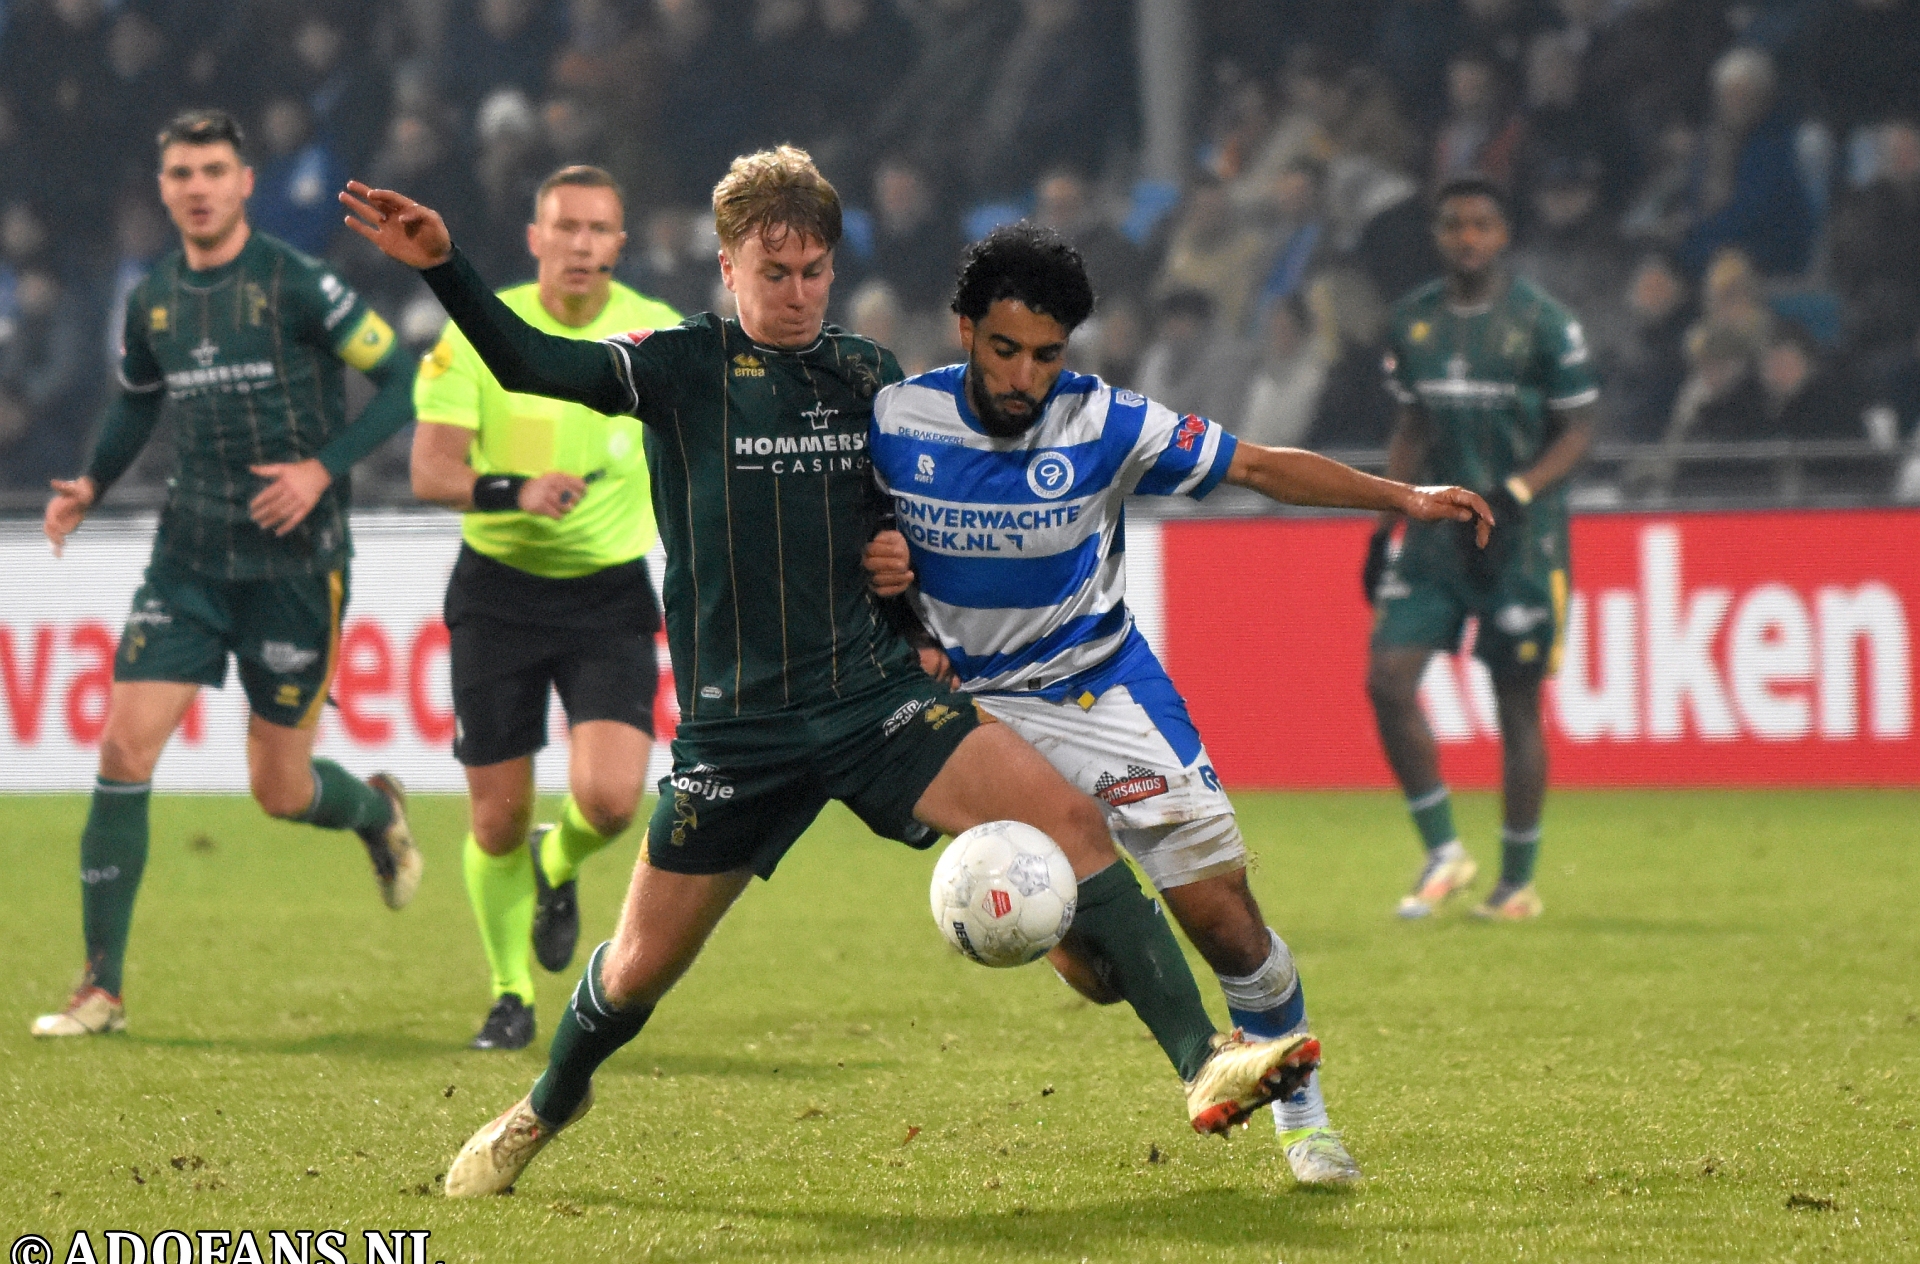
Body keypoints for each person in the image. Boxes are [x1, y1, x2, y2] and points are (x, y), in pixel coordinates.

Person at [340, 145, 1320, 1197]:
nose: (799, 293)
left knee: (1073, 822)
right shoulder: (676, 368)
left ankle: (1203, 1059)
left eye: (814, 272)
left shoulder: (867, 378)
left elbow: (893, 527)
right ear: (728, 269)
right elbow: (534, 363)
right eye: (775, 273)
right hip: (737, 733)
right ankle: (544, 1105)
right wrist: (443, 265)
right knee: (632, 975)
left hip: (872, 702)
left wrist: (897, 579)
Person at [859, 223, 1490, 1186]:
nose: (1026, 376)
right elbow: (841, 535)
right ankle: (1118, 970)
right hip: (980, 716)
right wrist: (890, 595)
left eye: (1046, 356)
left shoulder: (1106, 421)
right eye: (1004, 350)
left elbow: (1258, 466)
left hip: (1101, 689)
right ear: (963, 330)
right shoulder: (898, 420)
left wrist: (1402, 497)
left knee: (1226, 918)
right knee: (1095, 974)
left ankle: (1305, 1120)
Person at [31, 110, 420, 1038]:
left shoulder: (298, 283)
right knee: (123, 751)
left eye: (213, 169)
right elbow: (134, 406)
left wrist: (324, 469)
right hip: (191, 559)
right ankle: (101, 990)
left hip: (297, 565)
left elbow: (405, 378)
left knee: (279, 791)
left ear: (245, 183)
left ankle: (374, 811)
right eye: (180, 173)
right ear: (163, 189)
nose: (197, 186)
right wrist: (91, 479)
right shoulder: (153, 300)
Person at [411, 164, 682, 1052]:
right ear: (534, 238)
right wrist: (512, 489)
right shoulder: (480, 336)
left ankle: (553, 861)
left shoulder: (659, 336)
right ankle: (509, 993)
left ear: (619, 244)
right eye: (564, 227)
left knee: (608, 801)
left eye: (598, 229)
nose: (580, 244)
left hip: (608, 595)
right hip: (498, 596)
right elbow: (430, 471)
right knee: (492, 816)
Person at [1365, 175, 1596, 922]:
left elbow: (1578, 432)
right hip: (1438, 534)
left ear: (1503, 236)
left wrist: (1518, 492)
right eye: (1454, 225)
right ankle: (1443, 851)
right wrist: (1382, 519)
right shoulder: (1413, 323)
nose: (1467, 237)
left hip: (1523, 543)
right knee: (1387, 680)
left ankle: (1517, 881)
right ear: (1438, 236)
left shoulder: (1545, 324)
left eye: (1482, 225)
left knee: (1517, 705)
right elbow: (1413, 428)